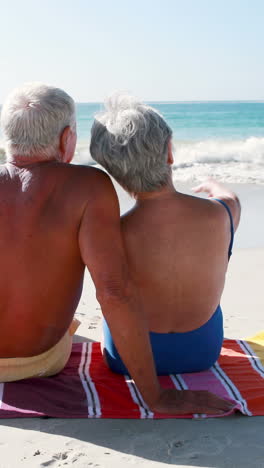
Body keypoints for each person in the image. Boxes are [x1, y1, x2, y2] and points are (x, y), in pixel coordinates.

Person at [0, 84, 233, 416]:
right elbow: (113, 291)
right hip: (36, 362)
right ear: (67, 140)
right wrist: (156, 396)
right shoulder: (87, 185)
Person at [90, 95, 241, 380]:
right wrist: (213, 185)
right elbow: (229, 197)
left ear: (112, 171)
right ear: (169, 152)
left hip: (127, 358)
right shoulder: (223, 214)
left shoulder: (113, 233)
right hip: (203, 353)